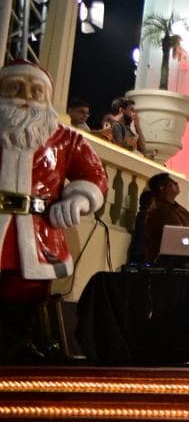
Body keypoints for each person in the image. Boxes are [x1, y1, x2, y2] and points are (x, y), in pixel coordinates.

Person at [0, 61, 108, 362]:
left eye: (35, 90)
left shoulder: (66, 139)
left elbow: (94, 175)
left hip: (38, 234)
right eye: (14, 88)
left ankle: (17, 348)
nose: (25, 97)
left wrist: (79, 199)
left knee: (28, 294)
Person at [143, 172, 189, 264]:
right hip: (166, 263)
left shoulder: (181, 210)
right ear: (162, 188)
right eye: (173, 183)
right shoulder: (157, 210)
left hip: (186, 260)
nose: (177, 184)